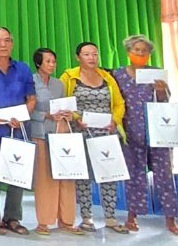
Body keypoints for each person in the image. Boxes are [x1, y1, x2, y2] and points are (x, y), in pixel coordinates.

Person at [60, 42, 129, 234]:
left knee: (109, 175)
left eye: (95, 54)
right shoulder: (69, 77)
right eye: (87, 54)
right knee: (84, 177)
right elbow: (63, 103)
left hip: (106, 133)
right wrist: (77, 118)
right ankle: (86, 218)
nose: (92, 58)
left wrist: (115, 120)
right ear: (78, 57)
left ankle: (111, 218)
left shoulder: (107, 77)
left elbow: (119, 103)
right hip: (81, 133)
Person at [112, 35, 178, 235]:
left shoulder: (156, 73)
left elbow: (165, 101)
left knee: (164, 175)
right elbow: (115, 102)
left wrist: (161, 91)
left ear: (149, 54)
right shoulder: (118, 74)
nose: (140, 54)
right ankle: (132, 216)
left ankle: (171, 218)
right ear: (128, 52)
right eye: (137, 50)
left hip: (158, 133)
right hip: (131, 132)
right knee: (134, 176)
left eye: (144, 51)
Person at [0, 27, 36, 235]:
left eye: (6, 40)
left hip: (19, 130)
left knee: (16, 175)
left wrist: (22, 115)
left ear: (12, 43)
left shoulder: (23, 68)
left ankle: (12, 217)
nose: (3, 45)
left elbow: (31, 99)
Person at [30, 48, 83, 236]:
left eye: (54, 61)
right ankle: (44, 221)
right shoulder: (31, 82)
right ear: (38, 63)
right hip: (40, 133)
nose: (52, 65)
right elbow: (26, 110)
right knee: (44, 179)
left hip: (60, 135)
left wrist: (67, 114)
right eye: (48, 61)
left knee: (66, 177)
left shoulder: (59, 84)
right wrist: (45, 115)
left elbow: (65, 105)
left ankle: (67, 220)